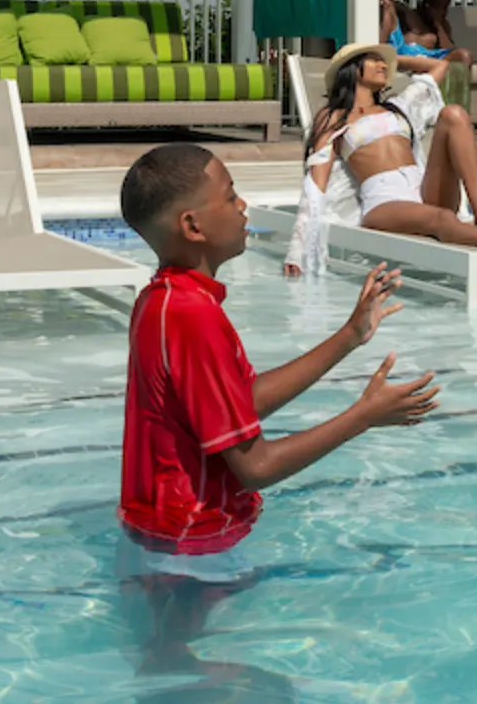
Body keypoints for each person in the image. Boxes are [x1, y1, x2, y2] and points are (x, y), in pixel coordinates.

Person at [115, 143, 441, 561]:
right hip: (192, 546)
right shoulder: (191, 315)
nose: (243, 205)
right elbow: (256, 467)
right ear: (193, 226)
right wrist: (364, 416)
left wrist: (350, 334)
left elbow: (236, 407)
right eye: (230, 196)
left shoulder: (163, 300)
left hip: (168, 534)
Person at [286, 43, 477, 278]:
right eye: (374, 60)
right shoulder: (333, 117)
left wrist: (393, 60)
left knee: (454, 114)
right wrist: (297, 249)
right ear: (352, 69)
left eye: (384, 62)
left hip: (423, 189)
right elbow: (315, 183)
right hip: (383, 201)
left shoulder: (398, 108)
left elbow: (441, 66)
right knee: (440, 218)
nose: (383, 66)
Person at [379, 0, 470, 64]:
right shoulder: (408, 16)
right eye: (441, 8)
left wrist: (438, 26)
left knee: (464, 55)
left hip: (432, 58)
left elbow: (449, 49)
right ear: (428, 7)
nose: (445, 12)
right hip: (411, 57)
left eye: (446, 8)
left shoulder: (443, 25)